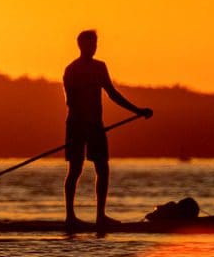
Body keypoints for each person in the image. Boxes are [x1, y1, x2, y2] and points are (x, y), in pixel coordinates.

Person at [63, 30, 152, 225]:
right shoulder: (72, 70)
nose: (93, 47)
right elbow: (71, 102)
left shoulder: (100, 67)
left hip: (96, 126)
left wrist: (137, 110)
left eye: (95, 44)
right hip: (76, 126)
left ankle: (100, 216)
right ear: (80, 45)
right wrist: (84, 127)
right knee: (75, 169)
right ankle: (70, 216)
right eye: (89, 44)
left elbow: (112, 94)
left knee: (103, 168)